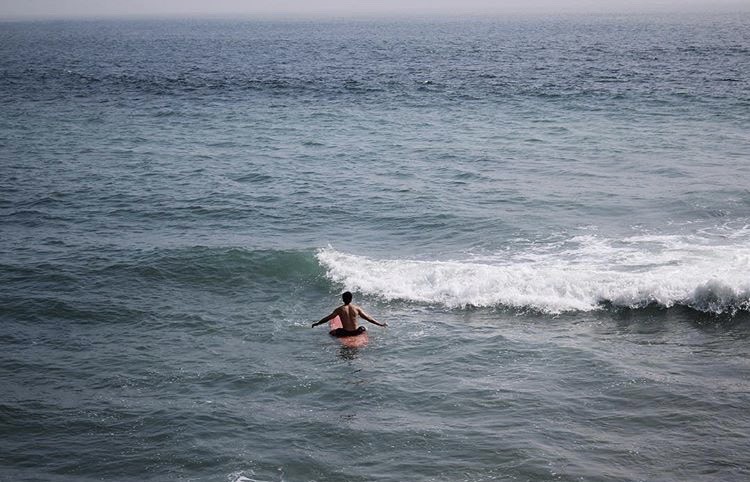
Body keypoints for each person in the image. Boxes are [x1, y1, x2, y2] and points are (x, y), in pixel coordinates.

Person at [312, 291, 387, 337]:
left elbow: (328, 318)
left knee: (331, 332)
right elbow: (368, 318)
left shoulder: (339, 309)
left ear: (343, 299)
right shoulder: (357, 308)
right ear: (351, 299)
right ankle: (362, 335)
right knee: (363, 328)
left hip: (345, 332)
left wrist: (317, 323)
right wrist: (380, 324)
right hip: (356, 332)